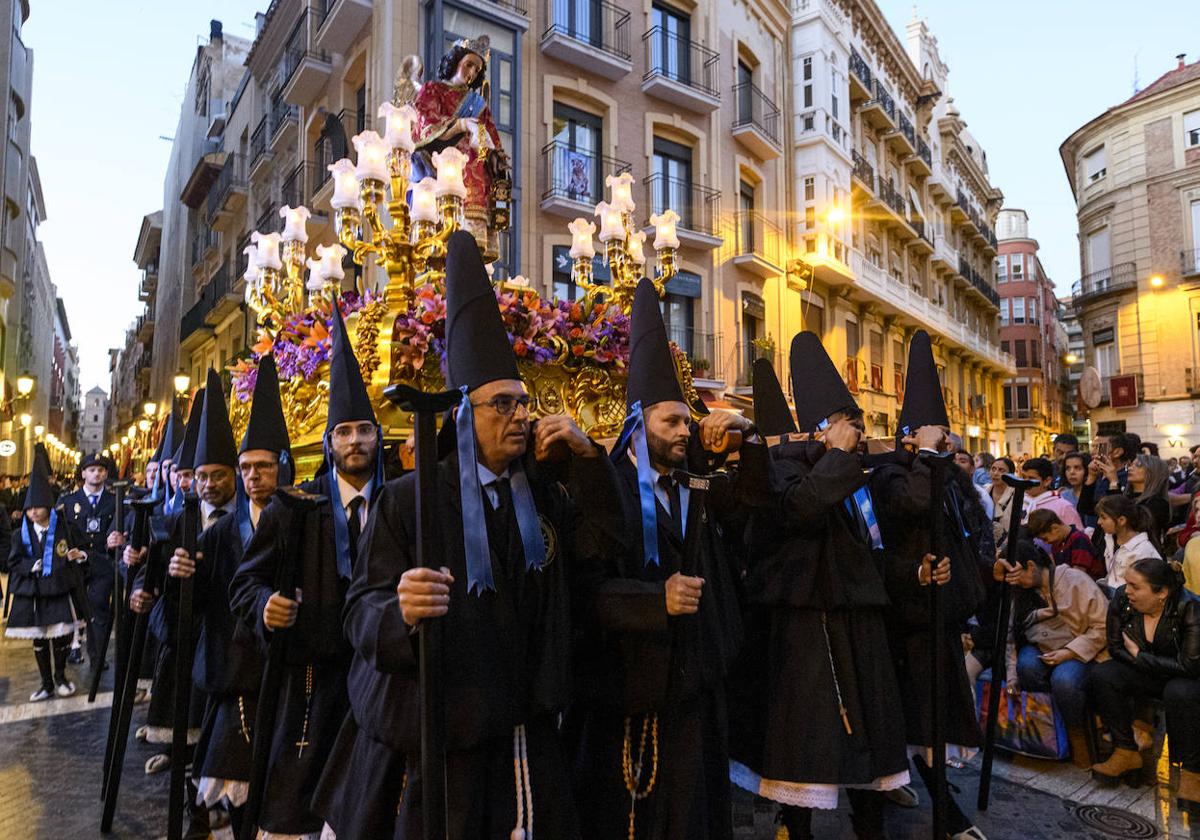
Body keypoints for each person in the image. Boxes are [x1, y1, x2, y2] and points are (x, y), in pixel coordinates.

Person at [317, 232, 614, 839]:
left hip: (520, 739)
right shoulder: (408, 501)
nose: (520, 416)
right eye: (501, 404)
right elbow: (360, 611)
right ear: (462, 416)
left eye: (523, 403)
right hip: (434, 740)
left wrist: (591, 462)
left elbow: (600, 552)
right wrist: (399, 612)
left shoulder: (546, 498)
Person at [569, 278, 761, 840]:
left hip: (697, 685)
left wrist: (745, 436)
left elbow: (755, 504)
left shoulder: (695, 485)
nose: (684, 431)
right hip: (632, 687)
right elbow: (589, 586)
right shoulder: (611, 490)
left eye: (686, 421)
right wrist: (656, 601)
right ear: (637, 425)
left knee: (696, 812)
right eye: (670, 421)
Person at [728, 335, 909, 840]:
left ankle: (870, 828)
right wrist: (835, 458)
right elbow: (797, 511)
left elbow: (870, 545)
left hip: (858, 622)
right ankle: (796, 828)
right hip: (810, 627)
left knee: (871, 737)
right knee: (805, 744)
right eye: (847, 423)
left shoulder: (856, 471)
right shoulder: (789, 466)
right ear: (822, 428)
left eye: (859, 423)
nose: (858, 432)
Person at [230, 300, 381, 839]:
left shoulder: (401, 505)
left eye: (365, 430)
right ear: (328, 442)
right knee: (299, 813)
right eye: (344, 432)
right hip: (312, 688)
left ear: (377, 438)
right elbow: (244, 583)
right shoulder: (294, 507)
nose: (356, 441)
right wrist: (263, 607)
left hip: (378, 686)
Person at [869, 330, 989, 840]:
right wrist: (925, 455)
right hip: (902, 622)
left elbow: (967, 529)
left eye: (948, 438)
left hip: (940, 620)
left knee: (934, 723)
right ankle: (919, 806)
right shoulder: (892, 473)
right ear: (913, 435)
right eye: (937, 436)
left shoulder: (949, 474)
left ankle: (935, 801)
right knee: (908, 721)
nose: (947, 446)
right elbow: (911, 508)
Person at [169, 363, 284, 838]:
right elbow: (192, 611)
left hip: (285, 675)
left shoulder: (301, 521)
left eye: (263, 467)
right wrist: (182, 582)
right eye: (247, 468)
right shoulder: (216, 536)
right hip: (233, 676)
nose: (253, 477)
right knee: (236, 791)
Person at [126, 387, 209, 771]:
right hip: (174, 618)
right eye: (185, 474)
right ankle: (171, 744)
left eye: (197, 474)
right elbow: (152, 564)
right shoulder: (169, 514)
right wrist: (141, 581)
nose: (188, 481)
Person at [1089, 556, 1200, 805]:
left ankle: (1193, 772)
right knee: (1104, 674)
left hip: (1186, 679)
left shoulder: (1189, 608)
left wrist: (1140, 655)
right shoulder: (1122, 600)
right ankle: (1125, 750)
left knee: (1179, 692)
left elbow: (1189, 666)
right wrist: (1143, 662)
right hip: (1150, 671)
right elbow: (1116, 647)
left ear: (1162, 593)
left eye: (1135, 586)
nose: (1127, 590)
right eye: (1127, 584)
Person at [996, 536, 1109, 767]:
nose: (1017, 583)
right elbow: (1009, 638)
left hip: (1080, 648)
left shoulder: (1074, 580)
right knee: (1026, 667)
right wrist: (1012, 678)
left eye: (1019, 576)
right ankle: (1055, 728)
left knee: (1064, 680)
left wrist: (1068, 652)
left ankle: (1077, 733)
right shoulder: (1020, 592)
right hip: (1042, 648)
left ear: (1030, 566)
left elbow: (1103, 626)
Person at [3, 446, 87, 700]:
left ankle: (61, 678)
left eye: (38, 508)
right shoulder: (21, 534)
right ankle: (46, 683)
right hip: (32, 592)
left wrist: (80, 555)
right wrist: (31, 566)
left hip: (59, 589)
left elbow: (83, 548)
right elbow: (13, 561)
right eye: (30, 510)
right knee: (38, 639)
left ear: (48, 506)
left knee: (60, 635)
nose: (33, 513)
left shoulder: (66, 528)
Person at [411, 37, 507, 254]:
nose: (471, 72)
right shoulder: (433, 90)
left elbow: (491, 139)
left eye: (477, 69)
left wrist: (494, 157)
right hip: (441, 170)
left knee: (469, 251)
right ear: (456, 61)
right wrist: (461, 124)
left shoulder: (478, 105)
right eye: (469, 64)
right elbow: (426, 125)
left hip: (475, 180)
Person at [57, 452, 121, 673]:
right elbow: (58, 533)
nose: (97, 474)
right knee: (74, 609)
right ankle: (73, 647)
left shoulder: (115, 501)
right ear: (83, 473)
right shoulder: (68, 502)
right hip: (74, 566)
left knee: (99, 610)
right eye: (92, 469)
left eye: (101, 470)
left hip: (101, 564)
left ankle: (97, 655)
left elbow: (124, 528)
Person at [1095, 494, 1161, 592]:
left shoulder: (1142, 551)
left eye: (1103, 517)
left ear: (1122, 520)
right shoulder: (1108, 540)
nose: (1099, 522)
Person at [1025, 509, 1106, 581]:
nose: (1046, 542)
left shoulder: (1079, 539)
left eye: (1045, 539)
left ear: (1055, 528)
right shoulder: (1056, 545)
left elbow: (1078, 575)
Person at [1020, 457, 1084, 534]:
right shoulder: (1018, 502)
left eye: (1031, 478)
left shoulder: (1063, 507)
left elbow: (1077, 537)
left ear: (1047, 481)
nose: (1026, 482)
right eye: (1024, 477)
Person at [954, 447, 994, 520]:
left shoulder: (982, 496)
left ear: (972, 469)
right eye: (954, 461)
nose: (956, 464)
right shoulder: (946, 490)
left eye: (962, 461)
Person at [987, 457, 1017, 551]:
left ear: (1011, 474)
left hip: (1008, 547)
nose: (996, 473)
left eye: (1001, 470)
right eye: (993, 469)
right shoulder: (983, 492)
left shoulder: (1017, 495)